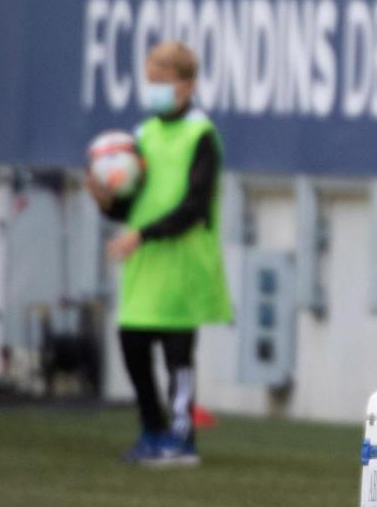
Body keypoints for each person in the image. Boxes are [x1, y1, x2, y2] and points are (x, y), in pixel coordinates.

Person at [87, 41, 232, 467]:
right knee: (132, 343)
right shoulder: (143, 135)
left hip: (184, 263)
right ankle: (153, 430)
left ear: (188, 85)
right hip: (145, 263)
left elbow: (195, 205)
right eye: (151, 81)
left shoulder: (201, 135)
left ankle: (182, 438)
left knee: (177, 357)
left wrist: (143, 234)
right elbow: (133, 203)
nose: (155, 91)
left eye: (163, 82)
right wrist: (106, 200)